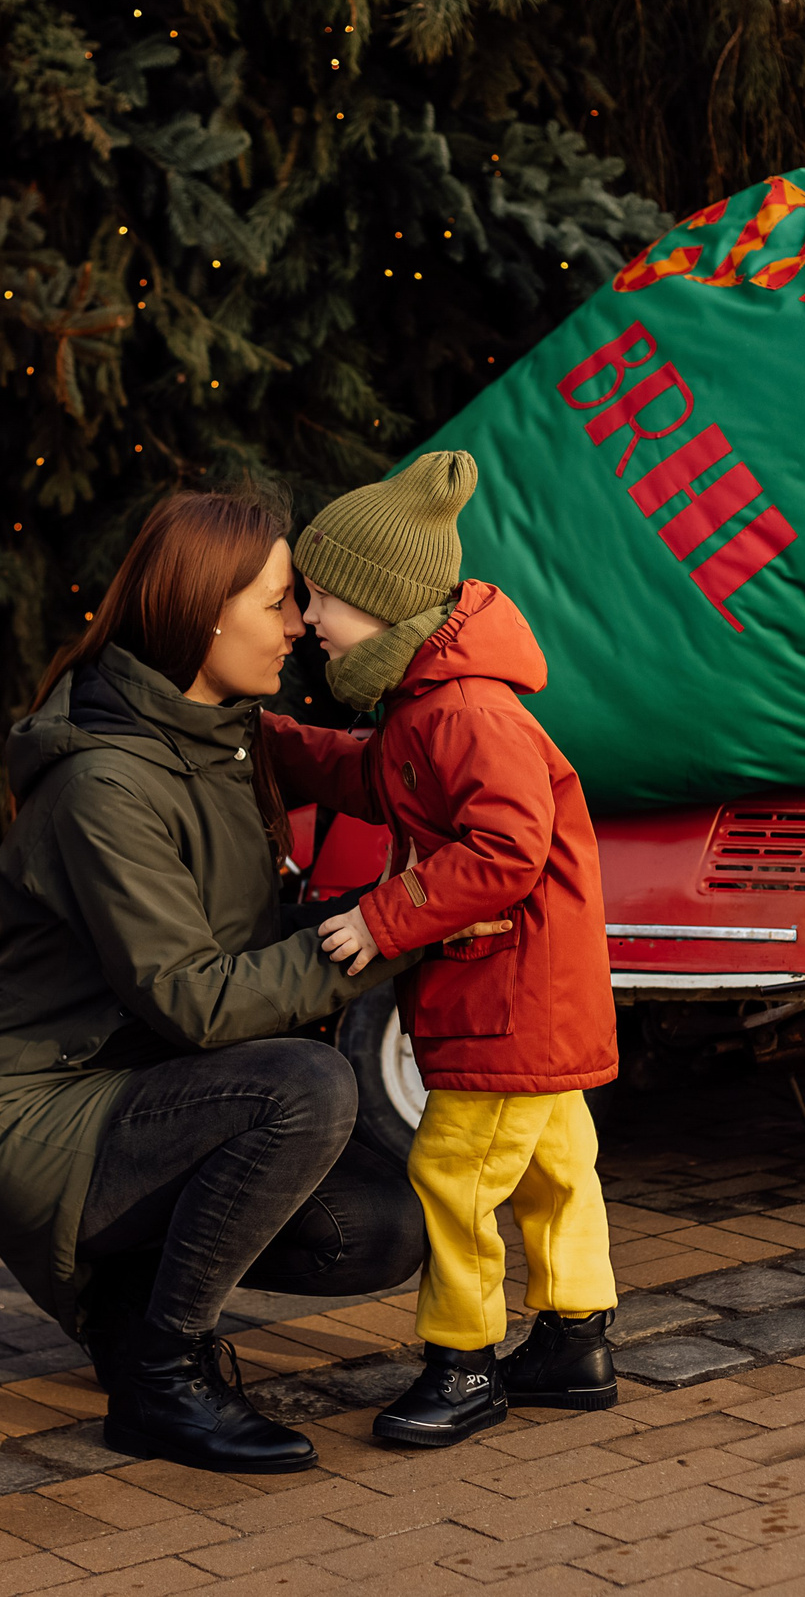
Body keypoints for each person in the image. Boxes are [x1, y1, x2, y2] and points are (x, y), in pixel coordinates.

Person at [0, 490, 432, 1477]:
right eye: (278, 603)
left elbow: (241, 950)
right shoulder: (103, 784)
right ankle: (159, 1380)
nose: (297, 627)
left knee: (377, 1232)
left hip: (151, 1087)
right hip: (42, 1115)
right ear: (204, 610)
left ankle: (126, 1306)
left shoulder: (229, 738)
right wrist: (392, 929)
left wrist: (410, 904)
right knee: (303, 1087)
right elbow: (196, 1000)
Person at [261, 449, 621, 1450]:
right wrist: (285, 748)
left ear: (386, 607)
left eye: (325, 600)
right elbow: (385, 783)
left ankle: (462, 1362)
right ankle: (575, 1339)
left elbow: (507, 849)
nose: (311, 622)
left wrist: (383, 916)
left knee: (454, 1176)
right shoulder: (429, 699)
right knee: (555, 1166)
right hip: (526, 997)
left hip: (510, 999)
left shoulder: (466, 709)